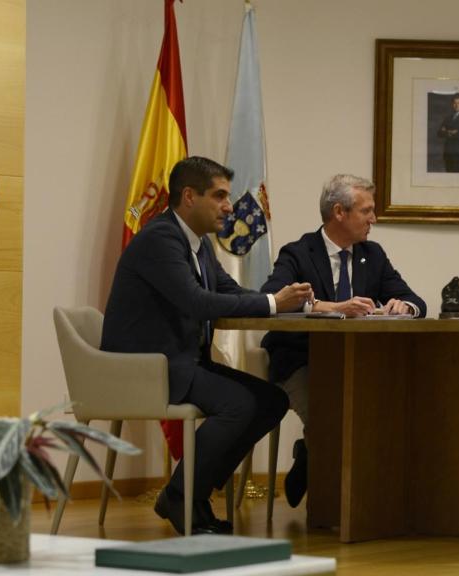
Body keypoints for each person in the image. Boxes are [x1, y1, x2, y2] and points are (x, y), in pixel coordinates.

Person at [101, 156, 313, 535]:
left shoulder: (198, 245)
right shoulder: (161, 238)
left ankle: (190, 492)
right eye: (219, 196)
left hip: (179, 361)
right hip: (144, 368)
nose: (230, 206)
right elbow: (196, 301)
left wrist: (288, 302)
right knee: (239, 404)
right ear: (188, 196)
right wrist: (272, 304)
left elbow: (230, 292)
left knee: (272, 401)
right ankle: (183, 497)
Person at [260, 174, 427, 508]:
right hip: (301, 359)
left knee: (386, 410)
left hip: (357, 361)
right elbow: (271, 298)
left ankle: (331, 472)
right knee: (331, 416)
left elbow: (416, 301)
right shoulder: (297, 252)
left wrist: (403, 305)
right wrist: (329, 307)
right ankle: (332, 501)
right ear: (339, 212)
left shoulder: (373, 254)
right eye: (366, 211)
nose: (373, 219)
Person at [437, 95, 459, 172]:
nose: (456, 105)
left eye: (458, 103)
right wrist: (452, 131)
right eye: (454, 103)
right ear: (452, 104)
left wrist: (446, 131)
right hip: (448, 152)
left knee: (458, 175)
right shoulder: (447, 118)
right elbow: (439, 133)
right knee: (449, 174)